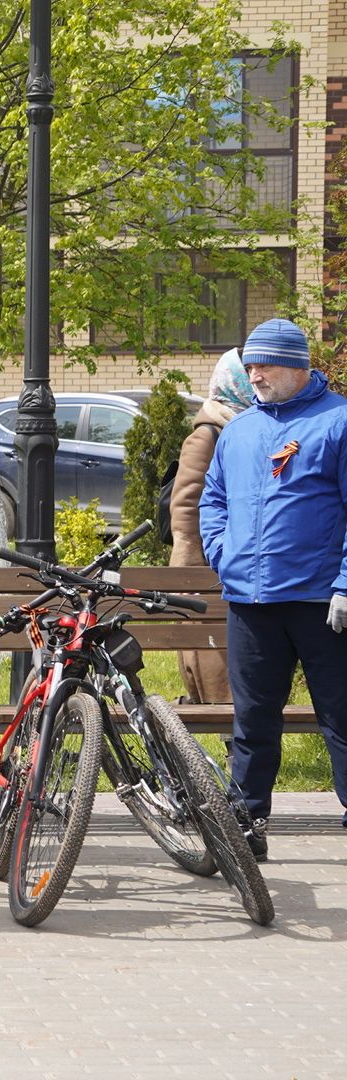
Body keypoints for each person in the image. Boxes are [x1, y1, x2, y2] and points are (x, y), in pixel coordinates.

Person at [200, 317, 347, 860]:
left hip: (320, 602)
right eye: (249, 364)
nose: (252, 374)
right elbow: (212, 500)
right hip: (250, 601)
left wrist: (346, 585)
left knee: (341, 717)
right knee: (253, 719)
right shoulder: (239, 430)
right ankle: (246, 824)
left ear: (293, 365)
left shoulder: (338, 422)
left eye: (261, 364)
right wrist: (223, 554)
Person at [168, 349, 254, 705]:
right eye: (248, 375)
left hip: (223, 559)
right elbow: (186, 506)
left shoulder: (237, 424)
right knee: (211, 652)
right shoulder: (209, 433)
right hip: (202, 562)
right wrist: (198, 563)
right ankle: (223, 725)